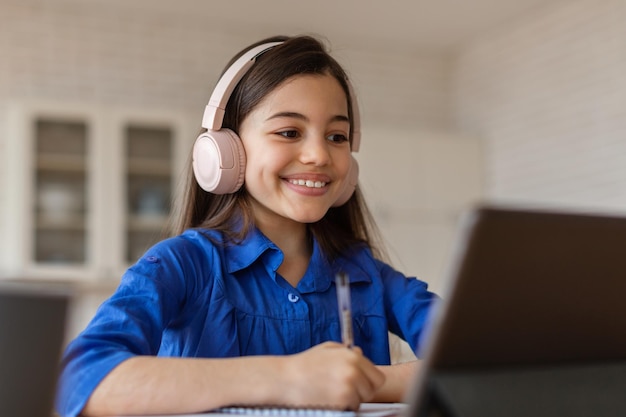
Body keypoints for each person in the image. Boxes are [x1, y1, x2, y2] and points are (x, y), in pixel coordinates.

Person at [55, 34, 438, 417]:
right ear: (226, 151)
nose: (320, 155)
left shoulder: (368, 274)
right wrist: (286, 379)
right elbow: (79, 381)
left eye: (336, 136)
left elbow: (480, 360)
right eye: (289, 132)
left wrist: (362, 381)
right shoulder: (182, 264)